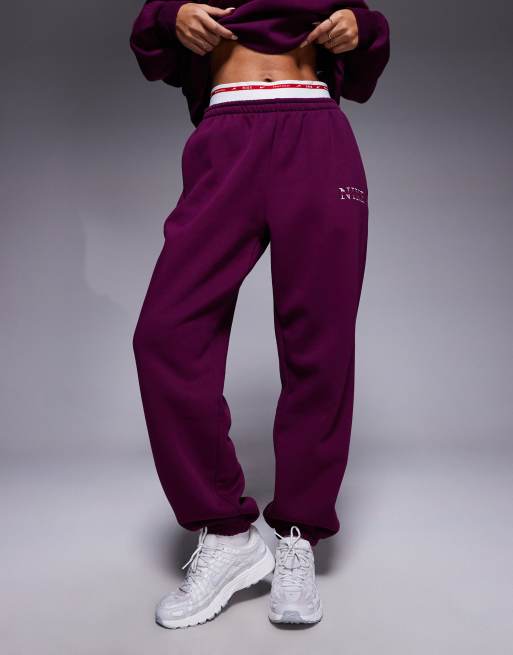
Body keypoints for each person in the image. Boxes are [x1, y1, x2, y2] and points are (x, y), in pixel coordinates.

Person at [129, 0, 390, 628]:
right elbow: (151, 46)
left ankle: (298, 534)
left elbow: (365, 47)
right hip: (226, 137)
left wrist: (362, 28)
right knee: (166, 334)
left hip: (314, 132)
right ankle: (227, 534)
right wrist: (170, 17)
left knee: (319, 344)